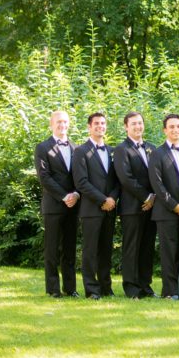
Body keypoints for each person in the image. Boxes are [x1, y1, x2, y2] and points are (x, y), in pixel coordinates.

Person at [72, 112, 119, 299]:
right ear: (89, 127)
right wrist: (103, 200)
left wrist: (113, 199)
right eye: (96, 123)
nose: (100, 126)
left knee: (106, 250)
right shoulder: (81, 151)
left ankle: (106, 288)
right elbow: (81, 182)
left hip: (110, 209)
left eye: (103, 123)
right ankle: (92, 289)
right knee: (90, 251)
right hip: (91, 209)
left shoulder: (112, 151)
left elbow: (117, 181)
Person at [34, 109, 80, 298]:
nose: (62, 125)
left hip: (74, 205)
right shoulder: (43, 148)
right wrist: (64, 196)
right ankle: (53, 289)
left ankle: (70, 288)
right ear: (51, 125)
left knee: (69, 248)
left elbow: (80, 177)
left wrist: (76, 194)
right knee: (52, 248)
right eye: (58, 122)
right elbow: (44, 177)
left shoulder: (76, 148)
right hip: (54, 205)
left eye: (65, 122)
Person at [149, 114, 179, 299]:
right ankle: (169, 291)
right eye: (172, 127)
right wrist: (174, 205)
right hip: (166, 211)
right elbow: (157, 185)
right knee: (169, 252)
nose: (176, 130)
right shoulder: (157, 154)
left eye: (178, 126)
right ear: (165, 130)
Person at [114, 111, 157, 299]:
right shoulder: (122, 149)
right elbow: (126, 179)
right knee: (131, 247)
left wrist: (154, 198)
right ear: (126, 126)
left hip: (152, 206)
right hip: (132, 207)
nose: (138, 126)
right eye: (134, 124)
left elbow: (157, 176)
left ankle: (145, 286)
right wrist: (146, 197)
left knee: (147, 247)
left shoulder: (152, 148)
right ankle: (131, 287)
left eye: (140, 123)